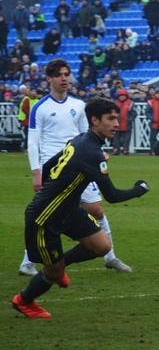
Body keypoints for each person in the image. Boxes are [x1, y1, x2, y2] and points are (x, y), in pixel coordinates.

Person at [11, 97, 150, 319]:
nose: (116, 124)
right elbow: (112, 196)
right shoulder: (92, 152)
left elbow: (48, 167)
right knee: (53, 273)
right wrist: (139, 189)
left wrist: (58, 192)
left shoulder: (80, 140)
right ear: (95, 120)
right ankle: (24, 301)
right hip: (45, 217)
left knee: (102, 246)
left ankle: (60, 265)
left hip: (69, 210)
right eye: (110, 119)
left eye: (117, 118)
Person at [18, 59, 132, 277]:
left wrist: (99, 153)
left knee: (96, 210)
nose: (64, 79)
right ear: (49, 78)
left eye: (66, 74)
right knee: (48, 213)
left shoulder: (79, 106)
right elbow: (33, 142)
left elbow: (88, 135)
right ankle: (28, 262)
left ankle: (109, 256)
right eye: (59, 75)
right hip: (54, 167)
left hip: (81, 162)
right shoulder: (40, 107)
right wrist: (36, 171)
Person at [113, 89, 136, 155]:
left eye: (123, 96)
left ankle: (125, 149)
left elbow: (134, 113)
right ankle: (116, 150)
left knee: (126, 139)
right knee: (116, 139)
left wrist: (130, 119)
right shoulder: (114, 103)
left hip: (127, 124)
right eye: (120, 96)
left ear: (126, 96)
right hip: (116, 124)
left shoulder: (130, 103)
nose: (122, 97)